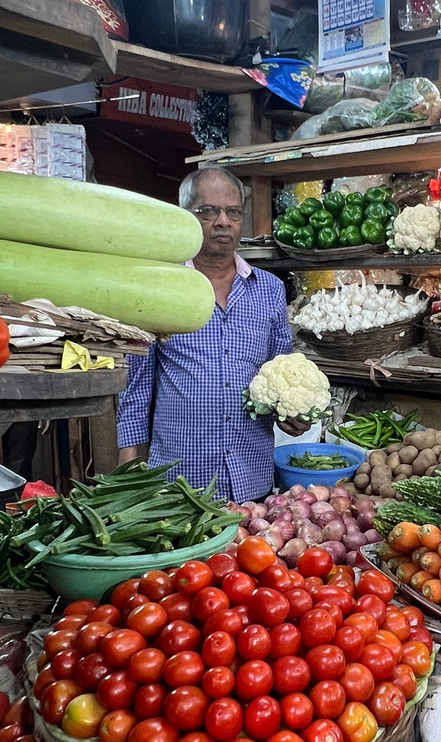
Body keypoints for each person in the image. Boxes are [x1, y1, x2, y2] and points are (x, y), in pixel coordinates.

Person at [117, 167, 305, 503]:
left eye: (233, 212)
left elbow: (283, 374)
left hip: (252, 481)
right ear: (184, 216)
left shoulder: (270, 291)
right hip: (181, 485)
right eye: (208, 211)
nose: (223, 221)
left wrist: (293, 415)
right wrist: (127, 479)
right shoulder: (160, 288)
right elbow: (137, 389)